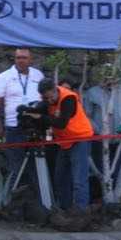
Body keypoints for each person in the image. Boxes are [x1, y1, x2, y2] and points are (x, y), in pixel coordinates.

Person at [29, 79, 94, 212]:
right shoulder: (47, 101)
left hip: (80, 138)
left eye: (51, 97)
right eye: (46, 98)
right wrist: (29, 113)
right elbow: (41, 114)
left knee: (79, 179)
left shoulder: (68, 98)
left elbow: (61, 123)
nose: (49, 101)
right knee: (60, 177)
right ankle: (65, 208)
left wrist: (39, 117)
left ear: (55, 90)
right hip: (64, 141)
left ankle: (81, 211)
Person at [0, 48, 46, 195]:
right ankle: (11, 199)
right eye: (18, 57)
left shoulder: (38, 75)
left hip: (36, 127)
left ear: (31, 60)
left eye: (24, 57)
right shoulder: (4, 77)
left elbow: (45, 97)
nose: (21, 60)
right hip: (13, 127)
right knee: (15, 165)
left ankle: (39, 198)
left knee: (37, 165)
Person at [83, 71, 121, 186]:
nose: (109, 78)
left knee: (120, 169)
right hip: (100, 141)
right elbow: (86, 116)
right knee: (101, 170)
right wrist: (98, 131)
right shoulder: (92, 92)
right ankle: (101, 193)